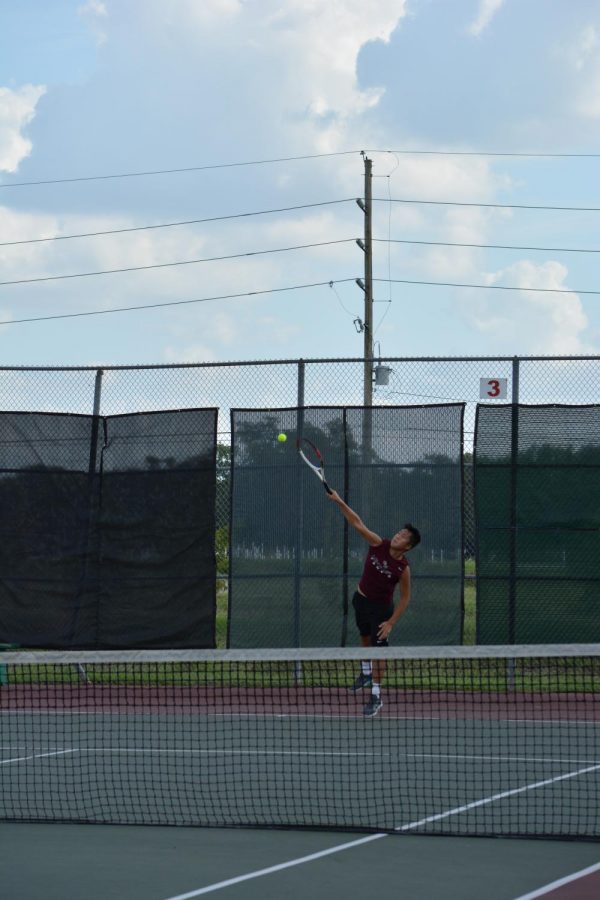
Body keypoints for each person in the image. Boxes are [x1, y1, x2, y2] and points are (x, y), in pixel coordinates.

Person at [327, 490, 421, 717]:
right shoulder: (378, 543)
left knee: (380, 653)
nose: (398, 536)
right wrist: (340, 501)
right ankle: (365, 673)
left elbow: (405, 598)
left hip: (382, 610)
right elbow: (357, 523)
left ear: (407, 546)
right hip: (361, 601)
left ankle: (376, 696)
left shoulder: (403, 568)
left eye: (403, 536)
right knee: (364, 638)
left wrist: (390, 622)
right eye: (399, 532)